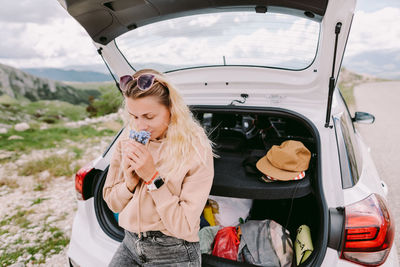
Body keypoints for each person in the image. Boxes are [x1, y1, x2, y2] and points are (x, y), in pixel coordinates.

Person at [103, 69, 215, 266]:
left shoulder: (195, 147)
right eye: (134, 116)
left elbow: (184, 226)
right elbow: (113, 203)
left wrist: (152, 178)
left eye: (149, 116)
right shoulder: (127, 139)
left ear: (171, 109)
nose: (140, 126)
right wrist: (129, 184)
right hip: (130, 243)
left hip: (174, 251)